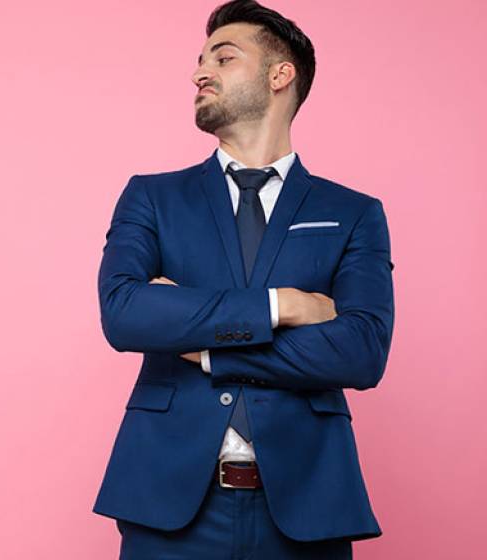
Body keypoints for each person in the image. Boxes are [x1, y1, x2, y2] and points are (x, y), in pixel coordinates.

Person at [91, 1, 395, 558]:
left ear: (281, 76)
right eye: (200, 59)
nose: (199, 72)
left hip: (307, 506)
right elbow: (126, 313)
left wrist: (205, 349)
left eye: (223, 57)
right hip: (167, 503)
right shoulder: (152, 197)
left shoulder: (353, 212)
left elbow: (361, 353)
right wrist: (282, 306)